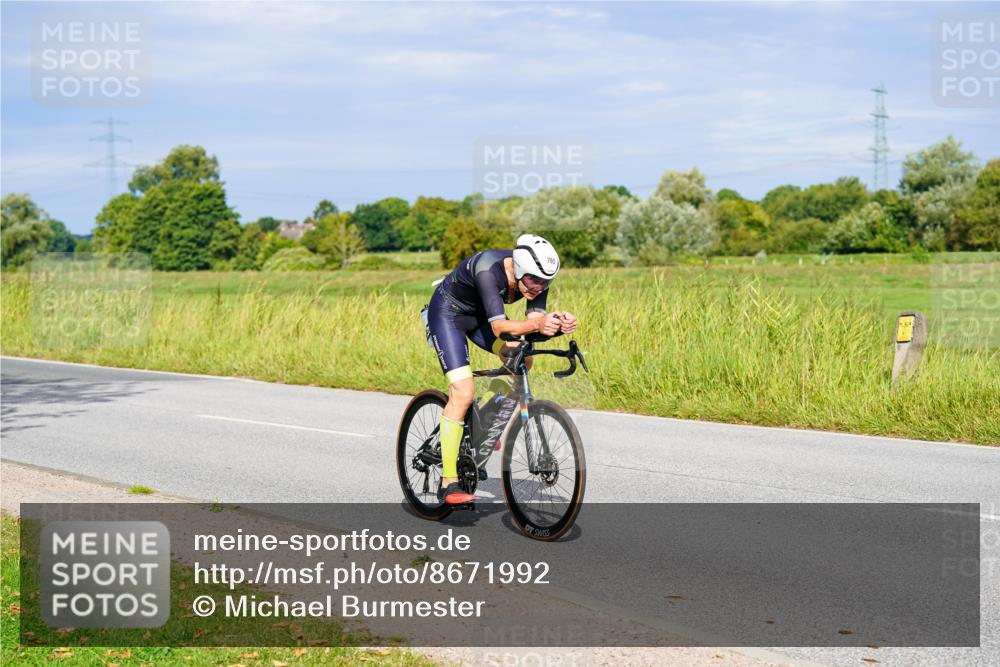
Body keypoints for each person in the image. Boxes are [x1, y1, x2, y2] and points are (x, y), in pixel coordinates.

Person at [425, 234, 577, 504]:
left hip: (481, 317)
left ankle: (485, 418)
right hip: (449, 315)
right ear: (518, 269)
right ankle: (448, 482)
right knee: (462, 392)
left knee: (521, 360)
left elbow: (533, 324)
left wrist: (555, 326)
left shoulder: (536, 276)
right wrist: (539, 325)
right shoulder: (488, 269)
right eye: (533, 281)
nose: (539, 288)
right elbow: (499, 328)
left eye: (546, 282)